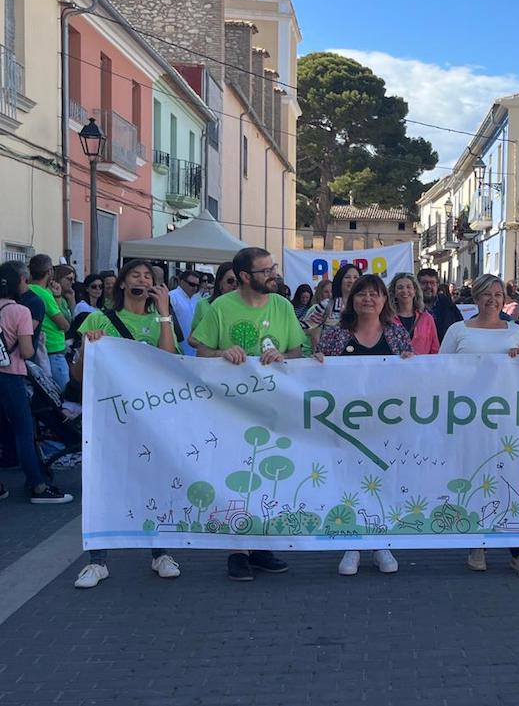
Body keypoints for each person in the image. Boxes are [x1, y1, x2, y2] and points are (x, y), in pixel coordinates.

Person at [192, 247, 304, 582]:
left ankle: (261, 546)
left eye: (274, 269)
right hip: (231, 410)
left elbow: (298, 350)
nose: (274, 275)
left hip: (272, 409)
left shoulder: (283, 306)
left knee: (269, 477)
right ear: (244, 277)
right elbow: (200, 351)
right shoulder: (220, 308)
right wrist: (222, 353)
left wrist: (283, 356)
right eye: (266, 270)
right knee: (235, 476)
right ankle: (237, 551)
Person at [71, 260, 181, 588]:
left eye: (149, 276)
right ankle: (97, 561)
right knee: (103, 481)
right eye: (136, 275)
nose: (143, 279)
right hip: (110, 417)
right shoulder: (98, 319)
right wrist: (88, 349)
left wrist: (164, 313)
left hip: (152, 417)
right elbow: (79, 375)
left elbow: (168, 359)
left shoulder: (160, 320)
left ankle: (161, 553)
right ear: (121, 283)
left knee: (154, 481)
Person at [313, 274, 412, 575]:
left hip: (386, 425)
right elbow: (317, 377)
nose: (368, 299)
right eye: (361, 294)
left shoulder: (396, 336)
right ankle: (352, 543)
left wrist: (412, 362)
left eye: (375, 294)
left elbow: (413, 379)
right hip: (346, 425)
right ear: (352, 300)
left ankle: (382, 542)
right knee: (350, 482)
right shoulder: (336, 336)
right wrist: (315, 361)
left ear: (385, 300)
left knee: (383, 482)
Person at [439, 274, 519, 579]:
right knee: (475, 479)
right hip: (469, 420)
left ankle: (518, 552)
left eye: (498, 294)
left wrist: (517, 361)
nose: (492, 300)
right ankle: (476, 543)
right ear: (476, 298)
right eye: (486, 294)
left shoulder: (516, 331)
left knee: (511, 482)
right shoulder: (457, 331)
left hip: (507, 420)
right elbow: (439, 372)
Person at [0, 261, 73, 504]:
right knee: (23, 430)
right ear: (21, 282)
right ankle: (37, 485)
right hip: (11, 376)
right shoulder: (19, 311)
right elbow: (27, 351)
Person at [27, 254, 71, 392]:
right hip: (53, 350)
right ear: (50, 271)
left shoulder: (27, 289)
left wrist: (57, 296)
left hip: (39, 348)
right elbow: (64, 325)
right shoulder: (44, 294)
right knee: (63, 395)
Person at [302, 264, 361, 353]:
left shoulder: (366, 305)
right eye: (347, 277)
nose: (351, 280)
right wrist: (315, 333)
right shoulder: (327, 305)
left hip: (360, 356)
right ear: (340, 280)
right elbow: (304, 327)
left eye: (355, 277)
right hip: (330, 359)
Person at [187, 262, 237, 348]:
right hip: (212, 359)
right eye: (230, 281)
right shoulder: (203, 304)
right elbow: (192, 339)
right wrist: (211, 347)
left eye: (239, 282)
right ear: (220, 282)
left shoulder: (245, 306)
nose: (235, 285)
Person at [388, 272, 439, 355]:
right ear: (394, 292)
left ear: (415, 291)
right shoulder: (387, 318)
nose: (405, 291)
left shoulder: (427, 318)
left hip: (421, 367)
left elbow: (435, 349)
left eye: (409, 287)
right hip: (394, 367)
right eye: (400, 287)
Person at [418, 267, 463, 342]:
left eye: (432, 283)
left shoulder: (448, 305)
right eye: (424, 283)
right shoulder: (409, 306)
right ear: (417, 285)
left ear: (437, 285)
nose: (428, 286)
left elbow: (459, 327)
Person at [169, 269, 202, 356]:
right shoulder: (172, 297)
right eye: (192, 284)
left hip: (195, 349)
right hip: (179, 349)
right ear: (181, 282)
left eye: (197, 286)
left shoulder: (198, 299)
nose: (195, 288)